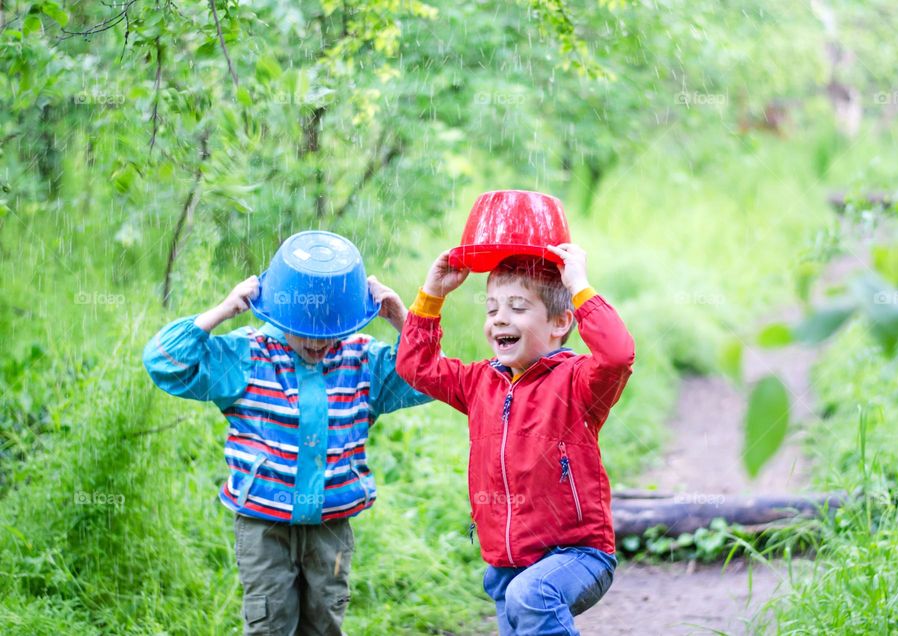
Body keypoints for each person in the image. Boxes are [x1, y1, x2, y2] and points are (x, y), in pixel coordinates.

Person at [143, 231, 431, 635]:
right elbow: (163, 362)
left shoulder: (362, 361)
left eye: (331, 330)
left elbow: (429, 378)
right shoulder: (247, 355)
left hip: (331, 525)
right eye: (306, 329)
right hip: (264, 527)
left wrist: (403, 319)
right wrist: (221, 311)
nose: (319, 341)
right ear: (278, 312)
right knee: (269, 623)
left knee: (325, 622)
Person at [396, 243, 635, 635]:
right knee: (524, 593)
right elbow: (416, 366)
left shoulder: (578, 383)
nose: (500, 320)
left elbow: (617, 355)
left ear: (560, 323)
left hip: (579, 553)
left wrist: (578, 285)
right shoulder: (479, 383)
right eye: (492, 310)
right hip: (507, 566)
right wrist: (432, 294)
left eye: (518, 308)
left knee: (534, 593)